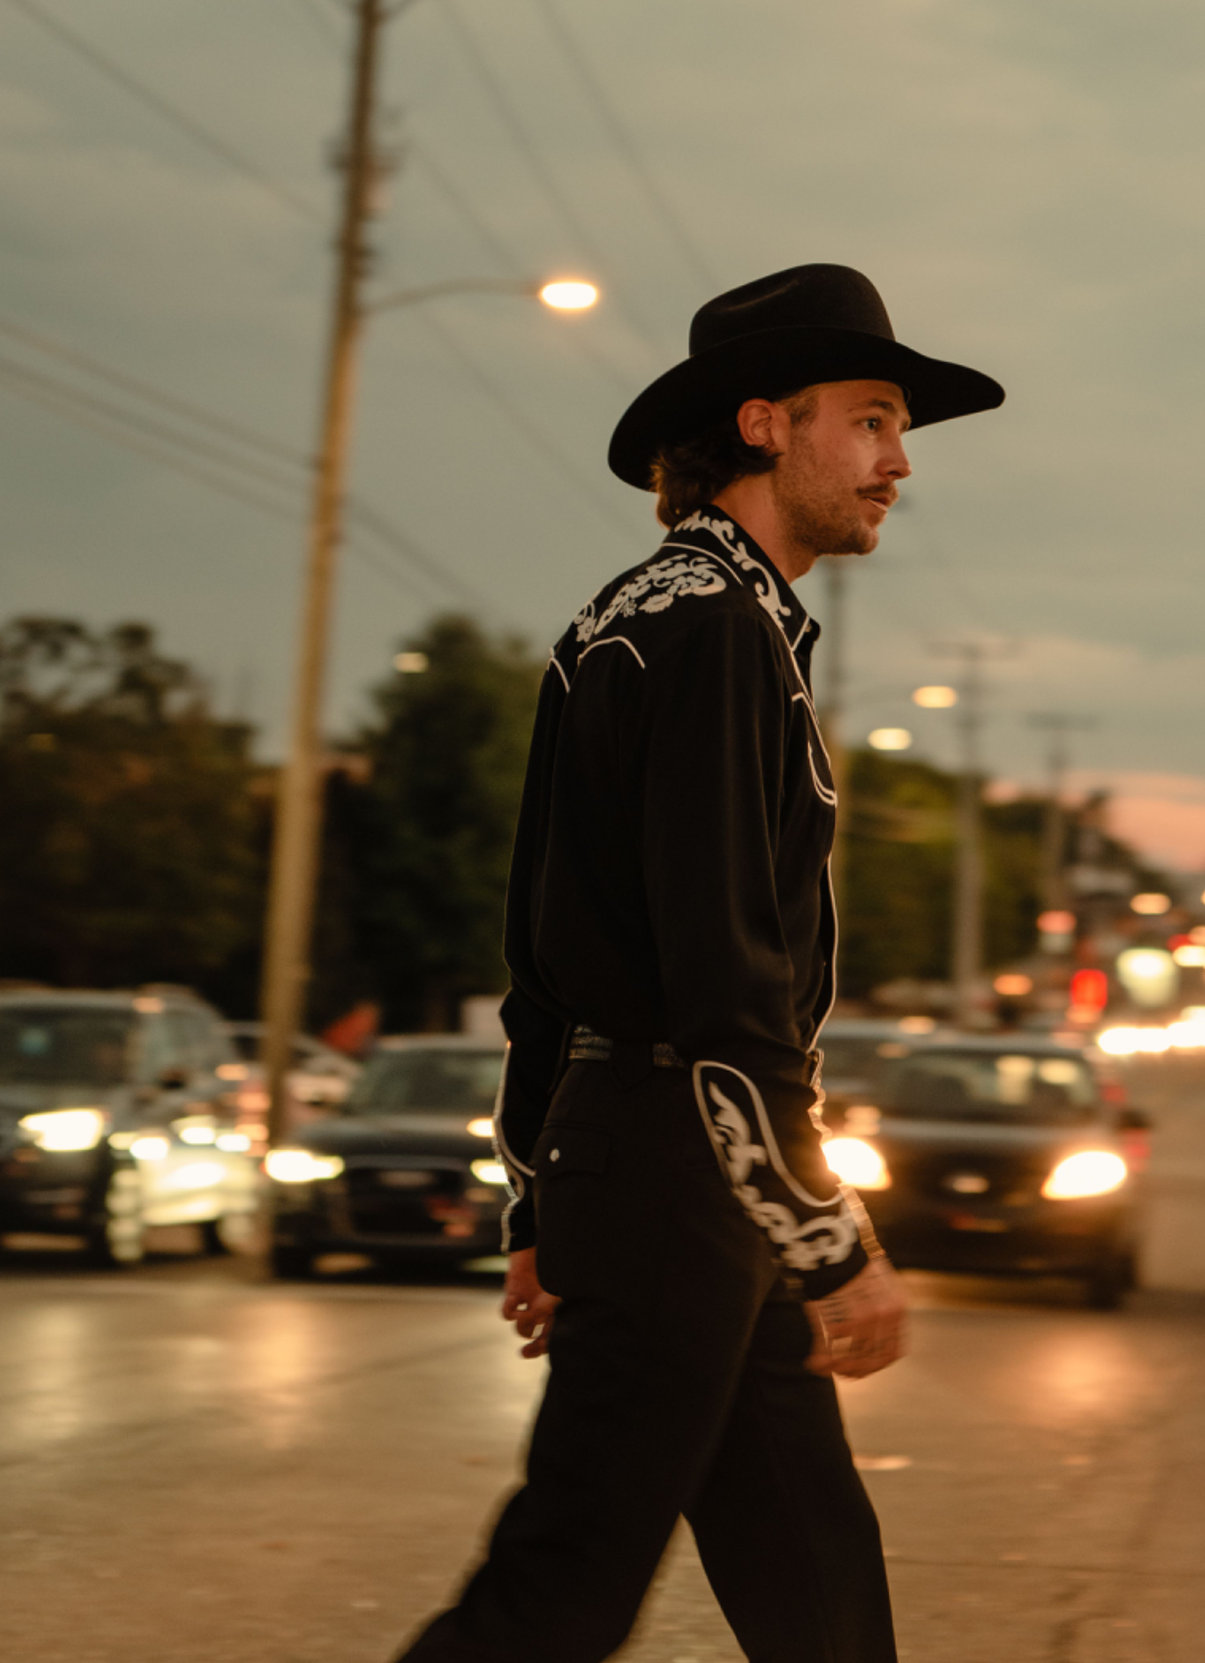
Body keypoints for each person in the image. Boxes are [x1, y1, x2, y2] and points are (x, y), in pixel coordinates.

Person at [395, 265, 1004, 1663]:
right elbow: (725, 981)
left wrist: (538, 1196)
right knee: (562, 1586)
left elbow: (538, 957)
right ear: (764, 424)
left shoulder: (624, 621)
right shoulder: (721, 634)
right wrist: (828, 1236)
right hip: (681, 1173)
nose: (899, 462)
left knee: (814, 1577)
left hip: (657, 1167)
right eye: (871, 419)